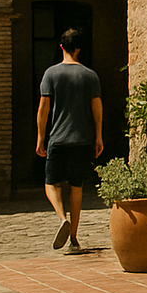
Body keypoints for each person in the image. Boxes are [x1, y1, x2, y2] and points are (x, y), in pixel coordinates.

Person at [36, 27, 103, 254]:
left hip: (58, 139)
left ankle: (61, 217)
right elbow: (97, 108)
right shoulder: (90, 76)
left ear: (61, 47)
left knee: (51, 183)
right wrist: (98, 136)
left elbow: (44, 109)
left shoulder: (51, 74)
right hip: (82, 140)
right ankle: (74, 238)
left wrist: (41, 137)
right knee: (77, 187)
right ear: (79, 49)